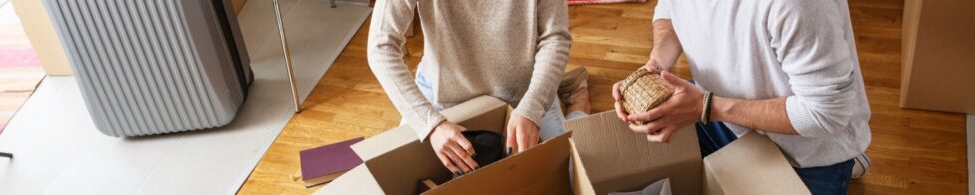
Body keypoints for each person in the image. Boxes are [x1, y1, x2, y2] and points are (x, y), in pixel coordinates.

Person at [611, 0, 871, 194]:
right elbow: (669, 10)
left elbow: (826, 114)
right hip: (715, 112)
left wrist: (707, 106)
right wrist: (657, 64)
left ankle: (847, 155)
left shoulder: (797, 5)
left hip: (806, 151)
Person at [367, 0, 583, 175]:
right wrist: (430, 124)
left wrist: (533, 107)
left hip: (524, 94)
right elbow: (381, 48)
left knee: (571, 177)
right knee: (399, 174)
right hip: (441, 92)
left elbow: (556, 37)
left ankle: (578, 102)